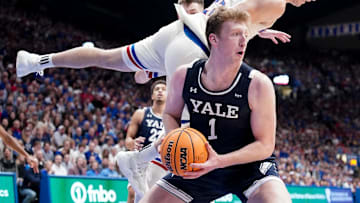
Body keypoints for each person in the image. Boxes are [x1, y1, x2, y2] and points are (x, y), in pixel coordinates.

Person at [140, 8, 291, 203]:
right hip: (198, 162)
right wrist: (174, 140)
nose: (244, 41)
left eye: (245, 35)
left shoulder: (258, 84)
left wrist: (220, 161)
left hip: (248, 168)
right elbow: (170, 114)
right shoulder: (184, 75)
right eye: (236, 34)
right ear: (214, 39)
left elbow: (265, 145)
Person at [15, 0, 300, 79]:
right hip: (196, 46)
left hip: (179, 31)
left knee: (106, 57)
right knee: (189, 132)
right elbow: (231, 22)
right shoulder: (278, 5)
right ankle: (139, 160)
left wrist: (257, 30)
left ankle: (34, 61)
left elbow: (235, 12)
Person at [117, 80, 168, 203]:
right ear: (152, 96)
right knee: (132, 193)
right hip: (143, 162)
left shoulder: (171, 117)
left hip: (162, 163)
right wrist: (132, 143)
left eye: (163, 89)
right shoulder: (141, 113)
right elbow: (128, 139)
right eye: (157, 89)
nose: (160, 91)